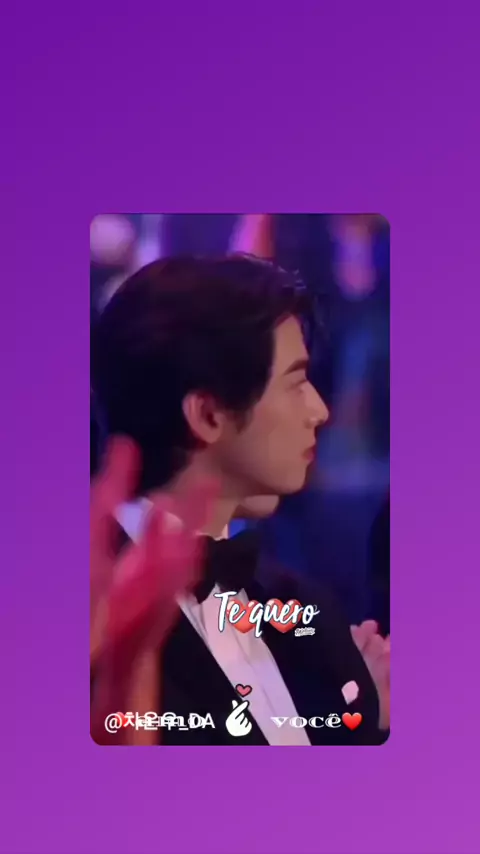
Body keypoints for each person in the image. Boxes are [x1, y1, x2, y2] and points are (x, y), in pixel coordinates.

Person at [91, 254, 385, 745]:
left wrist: (368, 723)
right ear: (208, 415)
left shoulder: (305, 615)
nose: (319, 410)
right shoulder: (86, 618)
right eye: (296, 383)